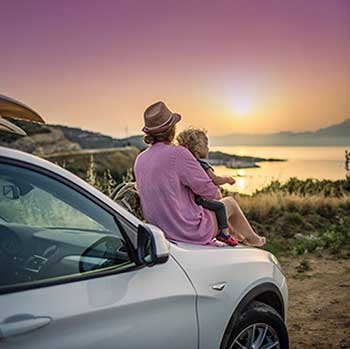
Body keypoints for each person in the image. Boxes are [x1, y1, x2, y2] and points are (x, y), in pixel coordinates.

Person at [134, 101, 266, 247]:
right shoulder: (178, 153)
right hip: (185, 231)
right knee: (230, 203)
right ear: (172, 129)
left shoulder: (140, 159)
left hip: (159, 231)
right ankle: (254, 240)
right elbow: (210, 192)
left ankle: (236, 236)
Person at [176, 127, 239, 246]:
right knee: (220, 207)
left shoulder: (185, 163)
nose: (208, 148)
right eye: (206, 144)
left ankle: (231, 232)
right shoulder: (202, 164)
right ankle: (224, 235)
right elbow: (215, 180)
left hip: (190, 204)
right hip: (200, 200)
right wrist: (227, 179)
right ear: (198, 148)